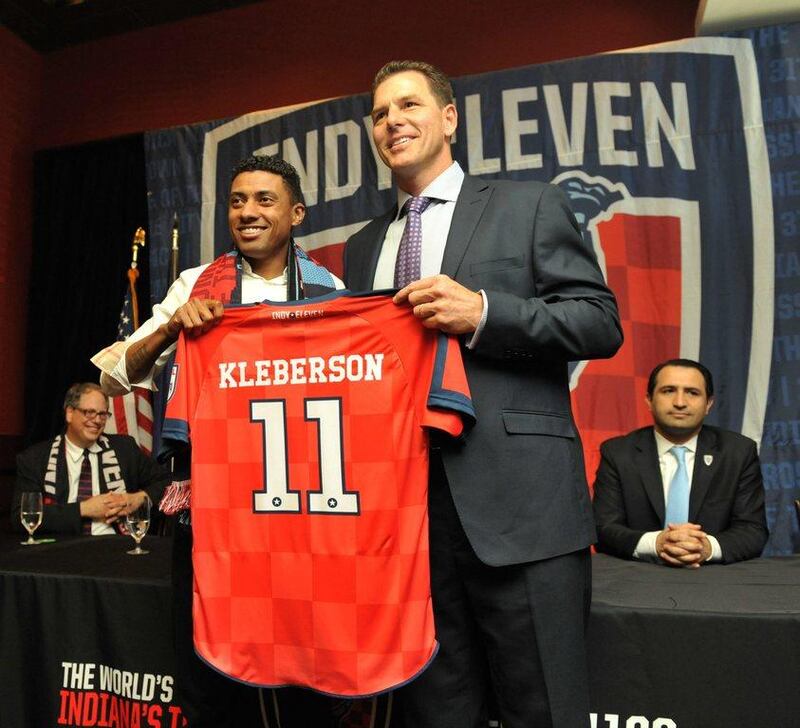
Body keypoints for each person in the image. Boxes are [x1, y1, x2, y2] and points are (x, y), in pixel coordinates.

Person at [344, 60, 623, 728]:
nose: (392, 122)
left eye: (408, 105)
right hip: (405, 525)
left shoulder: (528, 205)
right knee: (438, 713)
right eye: (380, 114)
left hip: (522, 512)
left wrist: (487, 312)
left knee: (544, 710)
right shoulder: (362, 248)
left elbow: (598, 321)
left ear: (448, 118)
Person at [93, 155, 344, 728]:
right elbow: (114, 376)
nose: (247, 212)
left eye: (263, 199)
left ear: (297, 213)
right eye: (236, 201)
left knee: (305, 670)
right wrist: (171, 328)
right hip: (209, 511)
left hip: (299, 511)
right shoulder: (195, 284)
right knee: (208, 673)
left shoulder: (332, 290)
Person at [593, 358, 768, 566]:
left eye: (692, 393)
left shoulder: (738, 452)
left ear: (709, 404)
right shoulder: (618, 453)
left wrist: (706, 548)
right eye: (668, 391)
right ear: (649, 399)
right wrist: (656, 543)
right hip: (638, 578)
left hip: (716, 581)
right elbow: (604, 528)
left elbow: (753, 531)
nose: (680, 402)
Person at [12, 382, 168, 536]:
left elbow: (165, 483)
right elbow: (21, 517)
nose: (97, 420)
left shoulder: (125, 449)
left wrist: (137, 499)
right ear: (70, 413)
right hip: (60, 549)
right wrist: (83, 509)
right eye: (89, 412)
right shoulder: (35, 458)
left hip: (116, 546)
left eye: (102, 414)